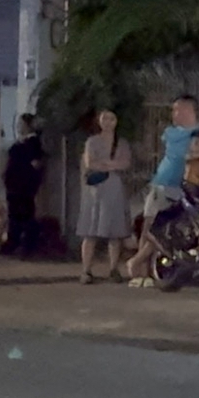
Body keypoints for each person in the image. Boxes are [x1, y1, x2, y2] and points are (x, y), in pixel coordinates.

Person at [127, 94, 199, 287]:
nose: (174, 114)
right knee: (149, 227)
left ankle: (139, 266)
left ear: (189, 110)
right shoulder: (171, 132)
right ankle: (142, 272)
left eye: (178, 109)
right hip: (162, 183)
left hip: (181, 187)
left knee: (162, 229)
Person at [77, 110, 133, 284]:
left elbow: (125, 163)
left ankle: (113, 268)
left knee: (114, 231)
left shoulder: (121, 143)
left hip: (114, 188)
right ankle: (86, 270)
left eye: (112, 118)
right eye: (104, 119)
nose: (108, 122)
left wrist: (106, 164)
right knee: (90, 230)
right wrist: (111, 165)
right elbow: (90, 163)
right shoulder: (92, 141)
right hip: (95, 190)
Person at [3, 114, 46, 257]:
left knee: (24, 215)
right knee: (14, 215)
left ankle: (27, 246)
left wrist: (30, 182)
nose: (19, 127)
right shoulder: (20, 143)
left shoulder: (33, 143)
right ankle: (13, 243)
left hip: (24, 187)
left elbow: (36, 165)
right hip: (14, 186)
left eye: (21, 124)